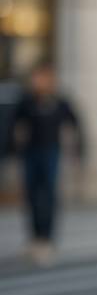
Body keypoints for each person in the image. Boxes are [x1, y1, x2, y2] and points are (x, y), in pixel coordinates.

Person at [10, 61, 84, 264]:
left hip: (51, 152)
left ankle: (47, 238)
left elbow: (75, 124)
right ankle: (35, 237)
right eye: (37, 77)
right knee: (32, 196)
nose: (39, 82)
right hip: (30, 152)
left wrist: (78, 152)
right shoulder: (27, 101)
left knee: (49, 195)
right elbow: (13, 125)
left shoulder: (60, 102)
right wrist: (14, 149)